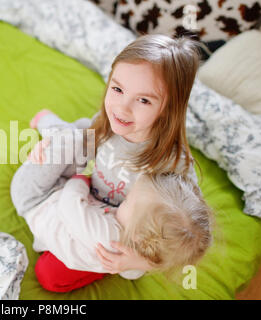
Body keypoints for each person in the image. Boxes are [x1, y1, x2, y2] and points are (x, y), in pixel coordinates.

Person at [27, 34, 204, 284]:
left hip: (115, 235)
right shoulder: (111, 121)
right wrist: (50, 144)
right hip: (87, 201)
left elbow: (188, 238)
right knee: (65, 141)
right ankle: (47, 121)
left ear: (170, 107)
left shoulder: (174, 164)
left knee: (49, 275)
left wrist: (139, 262)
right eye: (117, 89)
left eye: (143, 100)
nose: (122, 108)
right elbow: (84, 136)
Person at [10, 131, 213, 292]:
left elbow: (69, 206)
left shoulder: (107, 234)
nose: (123, 200)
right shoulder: (135, 259)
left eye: (128, 202)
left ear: (136, 232)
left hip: (38, 202)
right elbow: (132, 273)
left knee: (66, 141)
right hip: (64, 233)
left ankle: (50, 126)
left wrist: (81, 180)